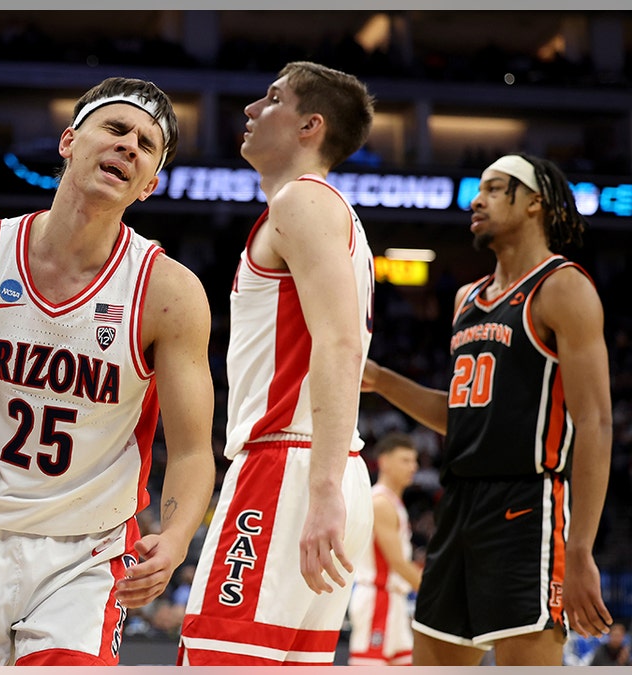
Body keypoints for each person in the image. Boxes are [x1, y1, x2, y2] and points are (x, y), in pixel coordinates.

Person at [0, 76, 216, 666]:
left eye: (146, 145)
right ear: (69, 141)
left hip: (86, 554)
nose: (128, 146)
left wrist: (172, 543)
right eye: (115, 129)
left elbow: (194, 451)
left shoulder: (169, 294)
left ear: (149, 186)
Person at [361, 153, 614, 665]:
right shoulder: (466, 298)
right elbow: (461, 418)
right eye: (479, 189)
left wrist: (582, 547)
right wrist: (382, 380)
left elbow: (596, 422)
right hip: (457, 505)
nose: (477, 200)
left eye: (496, 189)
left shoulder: (563, 287)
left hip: (526, 503)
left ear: (534, 205)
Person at [178, 61, 377, 665]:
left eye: (271, 99)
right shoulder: (332, 213)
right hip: (324, 465)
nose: (249, 109)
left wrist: (318, 490)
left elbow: (339, 346)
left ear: (309, 125)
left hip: (291, 467)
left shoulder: (302, 203)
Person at [348, 432, 423, 665]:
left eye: (414, 460)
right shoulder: (381, 503)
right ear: (384, 461)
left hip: (394, 600)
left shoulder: (393, 501)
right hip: (378, 597)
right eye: (405, 460)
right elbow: (397, 563)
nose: (413, 467)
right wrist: (434, 594)